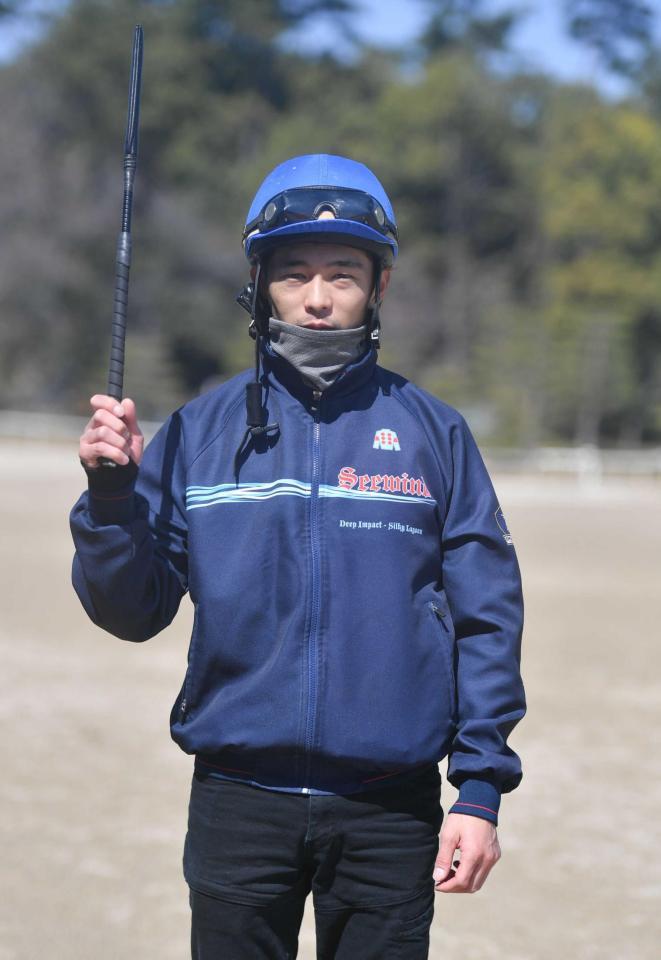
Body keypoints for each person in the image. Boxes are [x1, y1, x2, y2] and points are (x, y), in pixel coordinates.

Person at [71, 154, 526, 959]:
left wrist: (479, 791)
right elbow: (130, 612)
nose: (317, 299)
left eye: (342, 274)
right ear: (259, 286)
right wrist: (111, 499)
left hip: (391, 809)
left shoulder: (435, 433)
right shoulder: (197, 433)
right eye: (293, 274)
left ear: (378, 287)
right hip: (237, 805)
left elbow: (485, 619)